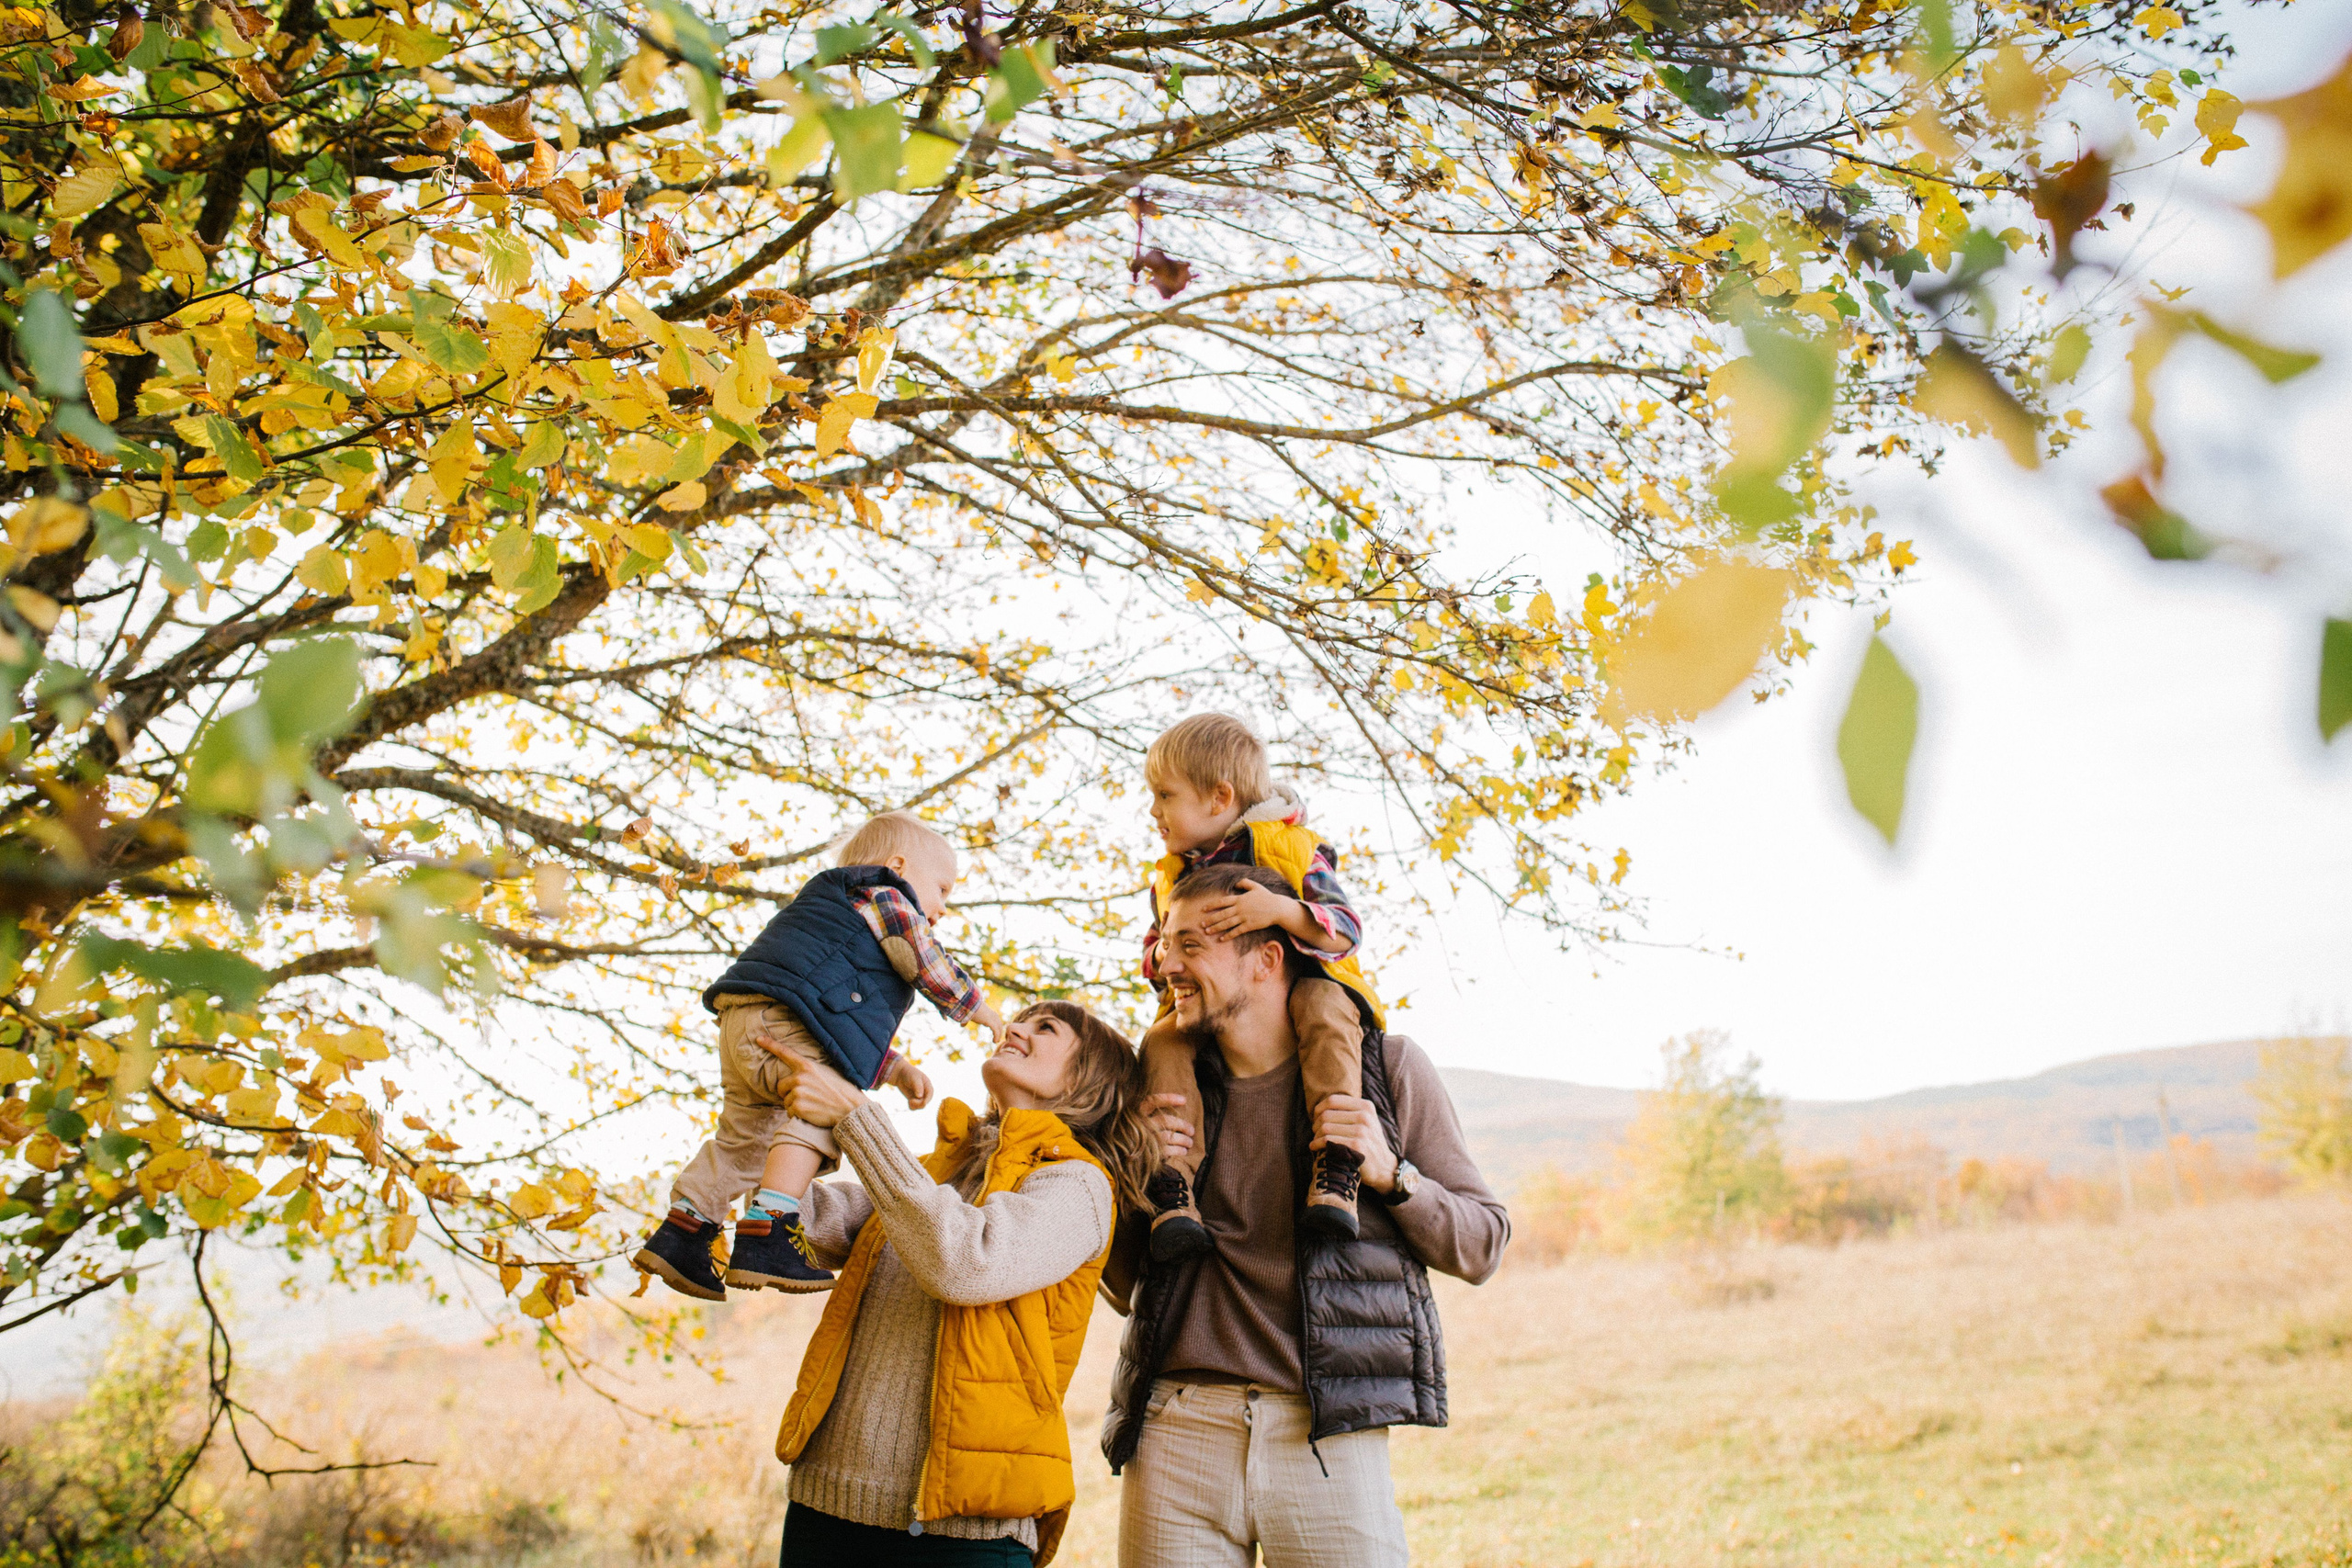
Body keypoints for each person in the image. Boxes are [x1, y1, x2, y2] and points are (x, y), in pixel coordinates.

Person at [1103, 862, 1511, 1568]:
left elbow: (1483, 1243)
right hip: (1177, 1430)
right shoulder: (1163, 1091)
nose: (1164, 962)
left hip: (1326, 1440)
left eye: (1191, 945)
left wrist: (1394, 1174)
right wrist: (1135, 1178)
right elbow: (1119, 1284)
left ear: (1266, 959)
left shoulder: (1386, 1070)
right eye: (1167, 942)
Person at [760, 1001, 1156, 1567]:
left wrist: (855, 1117)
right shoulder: (936, 1172)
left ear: (1089, 1081)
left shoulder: (1080, 1187)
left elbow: (967, 1262)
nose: (1014, 1028)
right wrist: (761, 1119)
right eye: (1020, 1019)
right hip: (824, 1506)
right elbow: (809, 1219)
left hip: (962, 1537)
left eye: (1045, 1028)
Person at [633, 810, 1008, 1301]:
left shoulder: (838, 912)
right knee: (826, 1109)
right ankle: (769, 1227)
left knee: (745, 1139)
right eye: (942, 890)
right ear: (897, 865)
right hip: (787, 1021)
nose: (941, 907)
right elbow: (924, 957)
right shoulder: (887, 897)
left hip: (747, 1020)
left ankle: (683, 1231)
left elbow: (837, 1022)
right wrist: (977, 1008)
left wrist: (895, 1069)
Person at [1136, 713, 1379, 1257]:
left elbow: (1347, 929)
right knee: (1161, 1040)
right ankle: (1172, 1179)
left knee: (1323, 1007)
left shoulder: (1289, 849)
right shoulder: (1171, 877)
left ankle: (1337, 1160)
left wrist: (1280, 909)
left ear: (1219, 797)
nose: (1154, 810)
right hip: (1210, 1011)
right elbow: (1152, 953)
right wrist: (1172, 948)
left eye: (1165, 795)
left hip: (1306, 986)